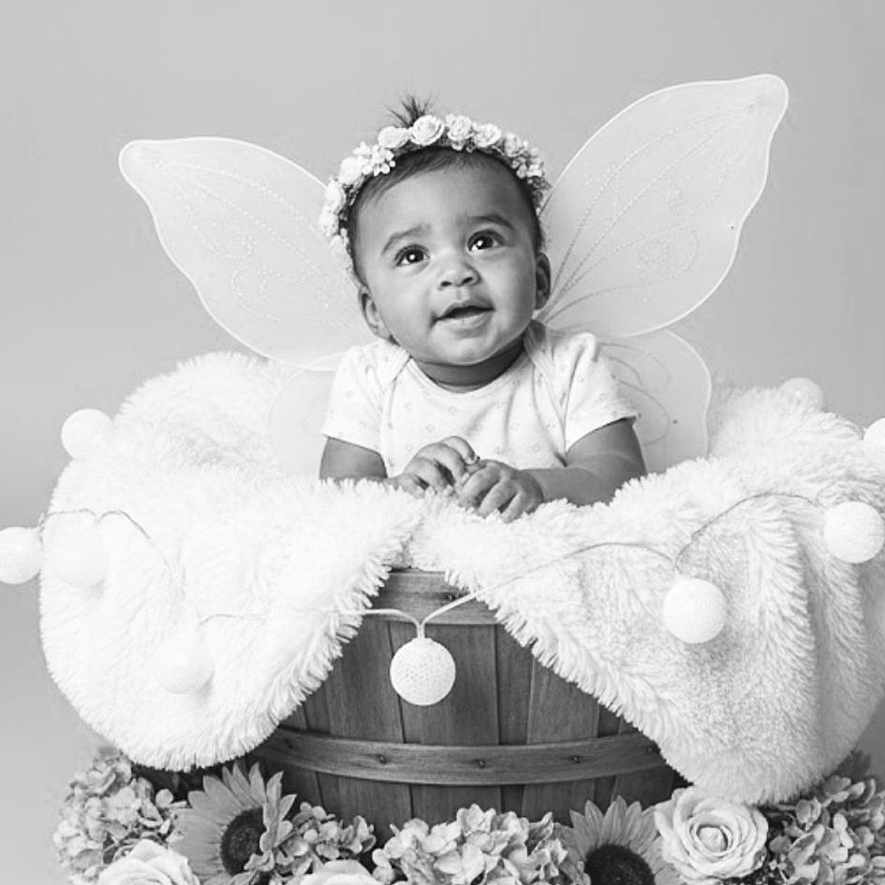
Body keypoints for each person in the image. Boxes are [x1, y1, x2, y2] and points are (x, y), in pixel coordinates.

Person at [319, 100, 645, 521]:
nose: (456, 272)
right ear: (374, 311)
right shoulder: (370, 379)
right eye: (414, 255)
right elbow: (337, 497)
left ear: (540, 279)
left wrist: (537, 485)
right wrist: (398, 490)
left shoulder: (569, 364)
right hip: (422, 579)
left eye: (483, 242)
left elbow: (622, 477)